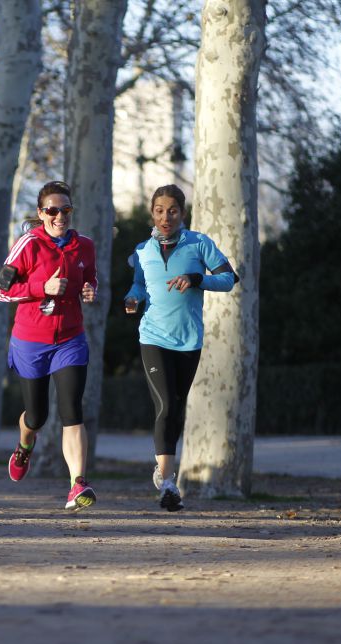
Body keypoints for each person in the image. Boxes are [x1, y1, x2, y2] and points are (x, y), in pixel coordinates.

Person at [123, 184, 238, 512]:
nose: (165, 216)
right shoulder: (143, 249)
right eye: (159, 210)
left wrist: (197, 278)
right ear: (152, 213)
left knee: (176, 406)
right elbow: (138, 285)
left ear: (182, 213)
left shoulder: (198, 243)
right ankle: (169, 484)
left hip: (189, 340)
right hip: (153, 337)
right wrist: (132, 299)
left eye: (172, 210)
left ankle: (163, 468)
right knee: (166, 406)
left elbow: (230, 279)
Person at [0, 180, 98, 511]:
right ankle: (25, 445)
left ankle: (77, 484)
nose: (59, 216)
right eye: (52, 210)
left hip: (70, 338)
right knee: (37, 416)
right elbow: (1, 291)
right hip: (31, 341)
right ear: (41, 214)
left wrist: (89, 290)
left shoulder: (84, 246)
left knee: (72, 410)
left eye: (65, 210)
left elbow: (90, 276)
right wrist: (43, 286)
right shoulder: (28, 244)